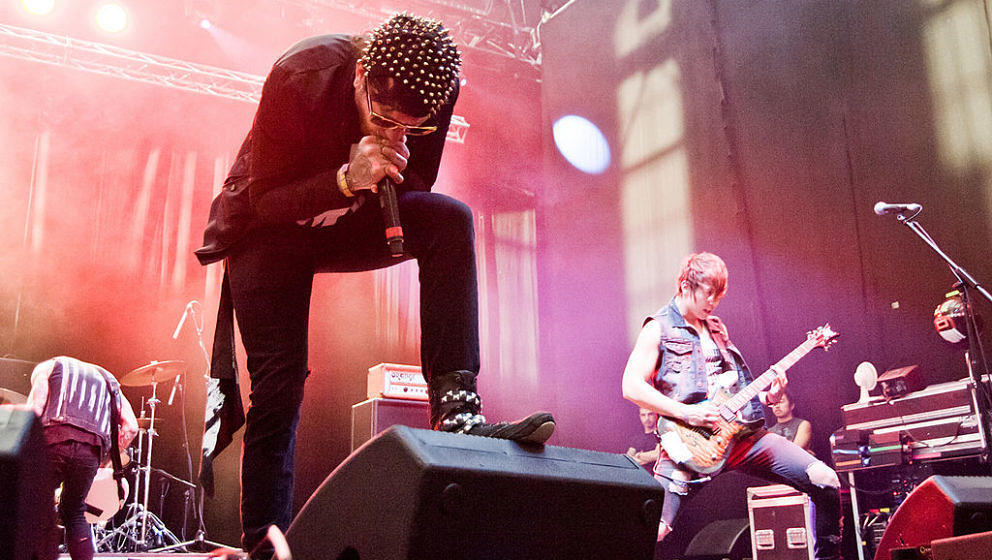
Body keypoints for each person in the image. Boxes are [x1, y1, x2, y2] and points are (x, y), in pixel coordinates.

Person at [193, 13, 555, 555]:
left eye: (413, 128)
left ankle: (456, 407)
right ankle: (263, 542)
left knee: (449, 219)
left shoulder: (437, 88)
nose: (395, 134)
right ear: (362, 75)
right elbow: (265, 199)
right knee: (280, 377)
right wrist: (342, 178)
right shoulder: (302, 74)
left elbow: (417, 182)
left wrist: (382, 173)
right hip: (266, 229)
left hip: (349, 216)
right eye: (385, 118)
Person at [620, 252, 841, 560]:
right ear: (685, 286)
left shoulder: (716, 327)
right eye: (707, 294)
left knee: (826, 480)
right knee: (653, 530)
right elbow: (631, 386)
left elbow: (729, 388)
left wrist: (769, 398)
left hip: (741, 438)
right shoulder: (658, 328)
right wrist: (687, 411)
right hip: (689, 445)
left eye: (718, 297)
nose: (712, 303)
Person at [27, 356, 138, 560]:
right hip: (91, 452)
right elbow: (131, 427)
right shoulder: (110, 381)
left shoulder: (48, 366)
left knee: (32, 506)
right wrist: (106, 462)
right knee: (74, 511)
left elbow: (33, 411)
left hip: (54, 440)